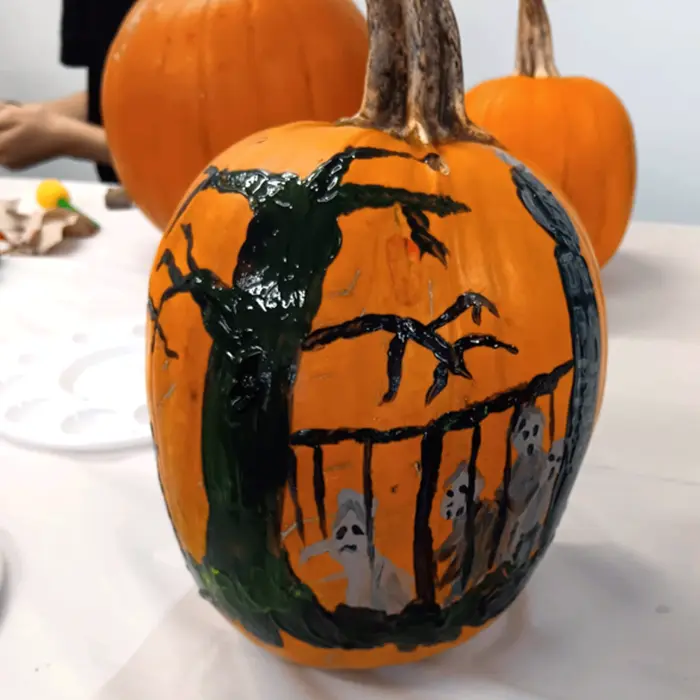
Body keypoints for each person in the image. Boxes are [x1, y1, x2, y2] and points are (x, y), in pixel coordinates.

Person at [0, 0, 136, 182]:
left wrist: (69, 137)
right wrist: (15, 120)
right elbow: (132, 95)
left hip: (172, 199)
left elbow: (185, 157)